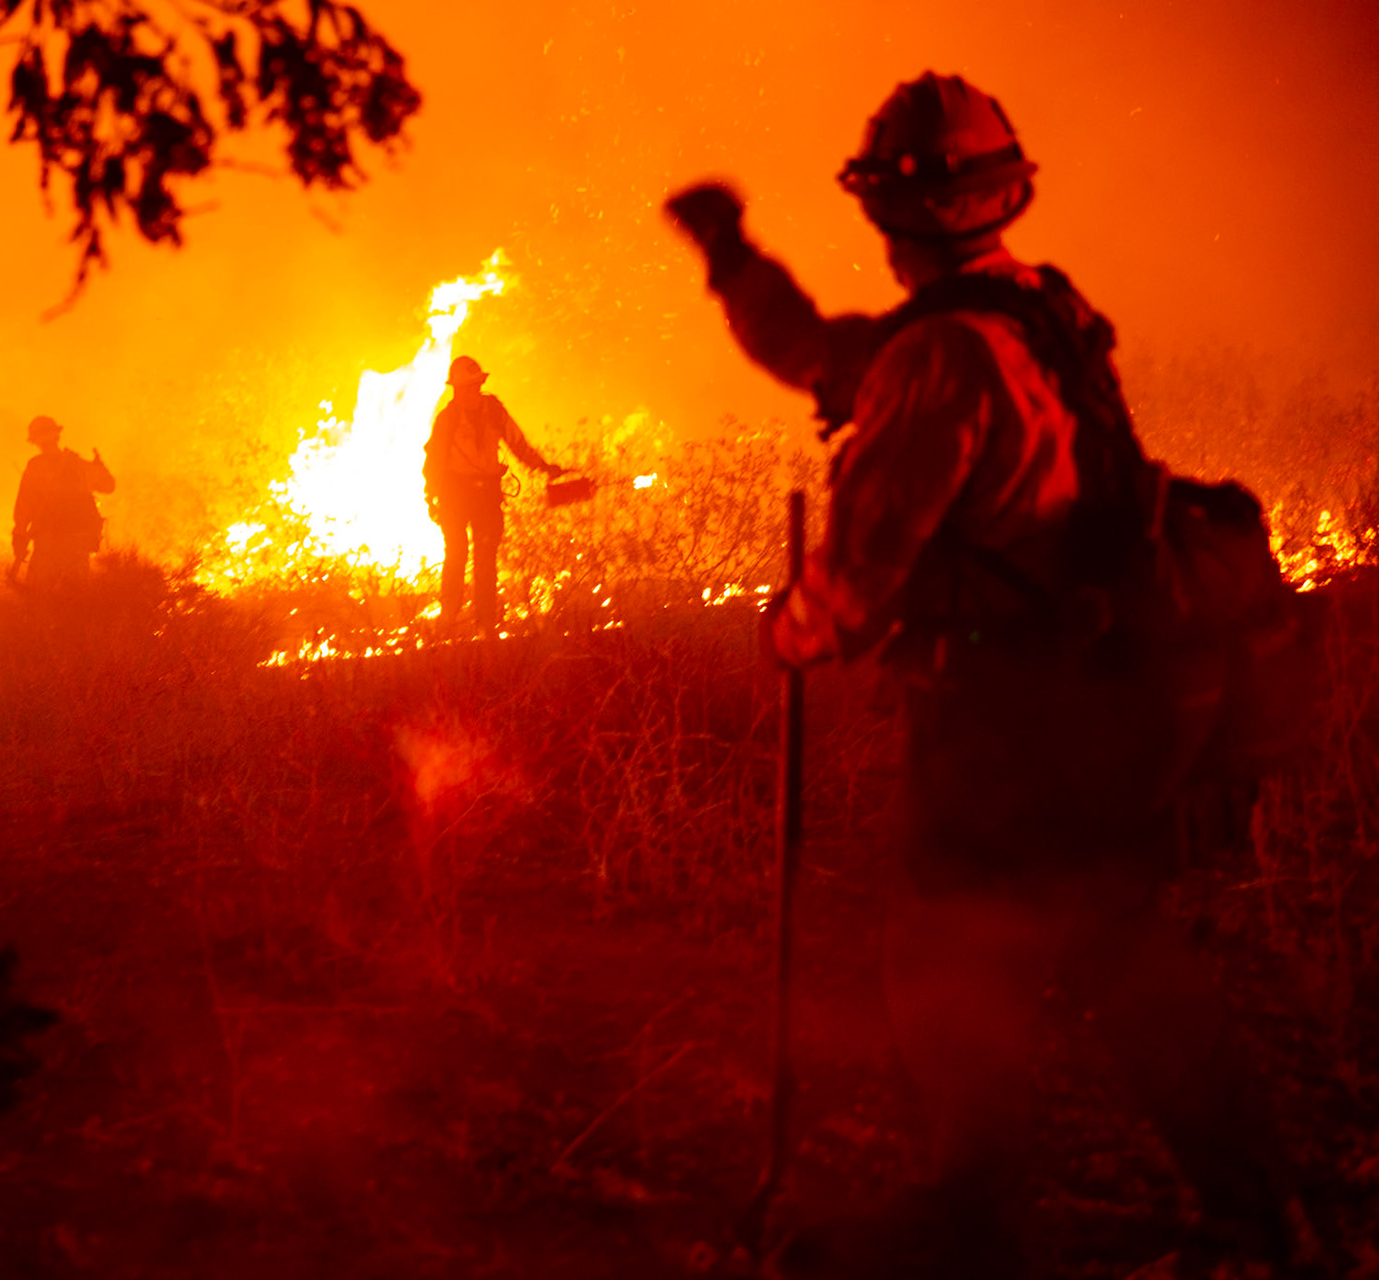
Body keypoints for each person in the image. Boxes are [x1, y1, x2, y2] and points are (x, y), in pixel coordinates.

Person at [667, 73, 1309, 1279]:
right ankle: (1260, 1215)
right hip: (1109, 697)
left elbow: (857, 574)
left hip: (1007, 724)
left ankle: (976, 1222)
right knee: (1125, 955)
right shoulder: (1031, 311)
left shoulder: (945, 361)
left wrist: (791, 631)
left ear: (884, 212)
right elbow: (820, 351)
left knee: (949, 962)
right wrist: (730, 261)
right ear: (1004, 191)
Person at [423, 355, 561, 631]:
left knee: (485, 558)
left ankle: (486, 621)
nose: (472, 391)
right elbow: (434, 461)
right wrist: (432, 497)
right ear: (456, 389)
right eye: (467, 387)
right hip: (454, 494)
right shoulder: (447, 419)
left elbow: (517, 443)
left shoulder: (494, 411)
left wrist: (544, 467)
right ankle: (449, 616)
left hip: (486, 494)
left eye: (476, 385)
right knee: (456, 553)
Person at [11, 414, 115, 590]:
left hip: (48, 544)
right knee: (75, 598)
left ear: (35, 441)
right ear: (56, 435)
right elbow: (109, 486)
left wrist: (19, 537)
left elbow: (23, 507)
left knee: (38, 597)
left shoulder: (35, 467)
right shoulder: (77, 464)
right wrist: (99, 466)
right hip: (78, 544)